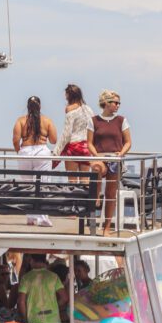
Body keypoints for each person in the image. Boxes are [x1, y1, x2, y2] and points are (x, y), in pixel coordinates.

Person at [87, 90, 132, 234]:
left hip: (115, 158)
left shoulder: (121, 120)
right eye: (115, 102)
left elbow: (128, 142)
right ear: (106, 103)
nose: (118, 105)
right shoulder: (94, 120)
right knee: (96, 167)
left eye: (119, 103)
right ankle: (96, 196)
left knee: (111, 194)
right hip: (100, 156)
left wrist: (121, 153)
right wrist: (96, 156)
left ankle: (106, 227)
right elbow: (89, 143)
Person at [12, 96, 58, 226]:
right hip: (42, 152)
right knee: (42, 185)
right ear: (40, 106)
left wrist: (19, 152)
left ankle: (31, 217)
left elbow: (15, 140)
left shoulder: (20, 121)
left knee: (28, 185)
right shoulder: (47, 121)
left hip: (25, 152)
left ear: (27, 107)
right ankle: (43, 218)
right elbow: (54, 140)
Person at [53, 84, 94, 181]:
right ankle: (86, 196)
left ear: (69, 95)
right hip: (86, 147)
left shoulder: (70, 109)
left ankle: (74, 196)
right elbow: (93, 129)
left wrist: (57, 151)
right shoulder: (89, 109)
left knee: (72, 180)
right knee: (85, 180)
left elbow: (66, 134)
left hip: (74, 146)